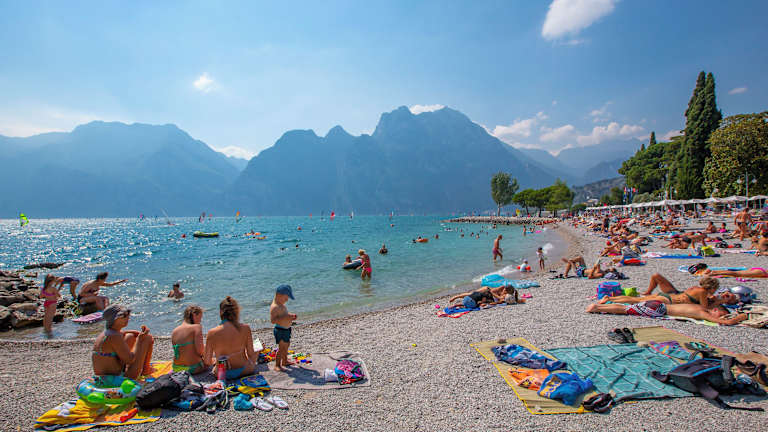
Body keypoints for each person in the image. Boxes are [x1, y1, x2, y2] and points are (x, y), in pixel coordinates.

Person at [92, 305, 155, 380]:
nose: (127, 317)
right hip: (114, 379)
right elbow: (130, 359)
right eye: (124, 315)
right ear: (114, 319)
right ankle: (146, 370)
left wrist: (136, 333)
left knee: (129, 336)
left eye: (128, 314)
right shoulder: (114, 336)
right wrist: (139, 340)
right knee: (147, 339)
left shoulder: (109, 333)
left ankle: (145, 369)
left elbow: (121, 333)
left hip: (107, 376)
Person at [204, 297, 257, 380]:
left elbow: (207, 361)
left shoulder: (212, 332)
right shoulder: (245, 328)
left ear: (221, 312)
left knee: (217, 365)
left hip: (222, 373)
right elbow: (251, 354)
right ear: (237, 311)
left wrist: (216, 360)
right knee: (256, 352)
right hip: (245, 370)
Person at [586, 301, 748, 326]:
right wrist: (740, 318)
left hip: (660, 305)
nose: (719, 317)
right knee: (625, 310)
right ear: (715, 310)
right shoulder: (701, 311)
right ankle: (597, 308)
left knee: (627, 307)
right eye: (720, 314)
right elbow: (724, 322)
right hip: (659, 309)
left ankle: (600, 306)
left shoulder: (699, 306)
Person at [600, 276, 722, 306]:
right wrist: (718, 301)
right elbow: (704, 307)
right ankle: (611, 299)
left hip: (665, 296)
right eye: (715, 289)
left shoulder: (695, 288)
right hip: (668, 300)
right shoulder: (702, 292)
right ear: (711, 287)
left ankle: (610, 298)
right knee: (636, 300)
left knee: (637, 299)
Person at [171, 305, 207, 374]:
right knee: (210, 360)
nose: (200, 321)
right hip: (193, 368)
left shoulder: (175, 331)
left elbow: (178, 352)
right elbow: (200, 351)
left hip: (176, 368)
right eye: (200, 318)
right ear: (194, 315)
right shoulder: (197, 327)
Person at [270, 285, 297, 372]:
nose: (287, 300)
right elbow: (273, 320)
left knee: (287, 345)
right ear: (279, 295)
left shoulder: (281, 305)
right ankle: (277, 365)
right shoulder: (275, 307)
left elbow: (284, 314)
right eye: (286, 298)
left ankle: (284, 361)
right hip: (280, 330)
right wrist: (285, 317)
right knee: (281, 348)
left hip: (286, 329)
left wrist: (291, 316)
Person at [702, 267, 768, 278]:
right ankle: (714, 273)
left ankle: (715, 271)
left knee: (736, 273)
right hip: (761, 272)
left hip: (761, 270)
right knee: (736, 274)